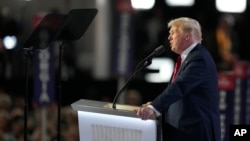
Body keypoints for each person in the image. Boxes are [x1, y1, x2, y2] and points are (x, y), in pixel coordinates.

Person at [134, 17, 221, 141]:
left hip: (196, 133)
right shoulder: (187, 58)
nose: (169, 37)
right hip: (184, 131)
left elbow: (180, 86)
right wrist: (156, 104)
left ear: (187, 36)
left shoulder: (199, 59)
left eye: (173, 33)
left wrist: (154, 107)